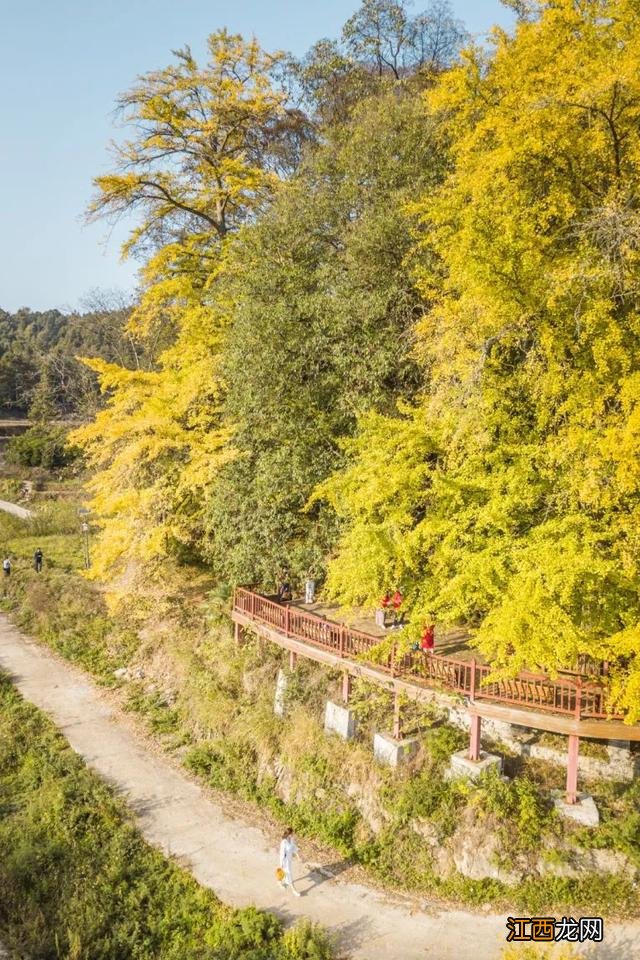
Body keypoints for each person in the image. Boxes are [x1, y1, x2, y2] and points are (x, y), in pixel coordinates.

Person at [278, 827, 302, 897]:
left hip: (289, 860)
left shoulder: (291, 839)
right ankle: (294, 890)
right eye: (292, 833)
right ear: (289, 834)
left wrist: (298, 857)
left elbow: (294, 848)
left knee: (283, 873)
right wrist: (281, 864)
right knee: (289, 874)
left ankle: (279, 882)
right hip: (284, 861)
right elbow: (282, 853)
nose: (293, 835)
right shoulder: (283, 842)